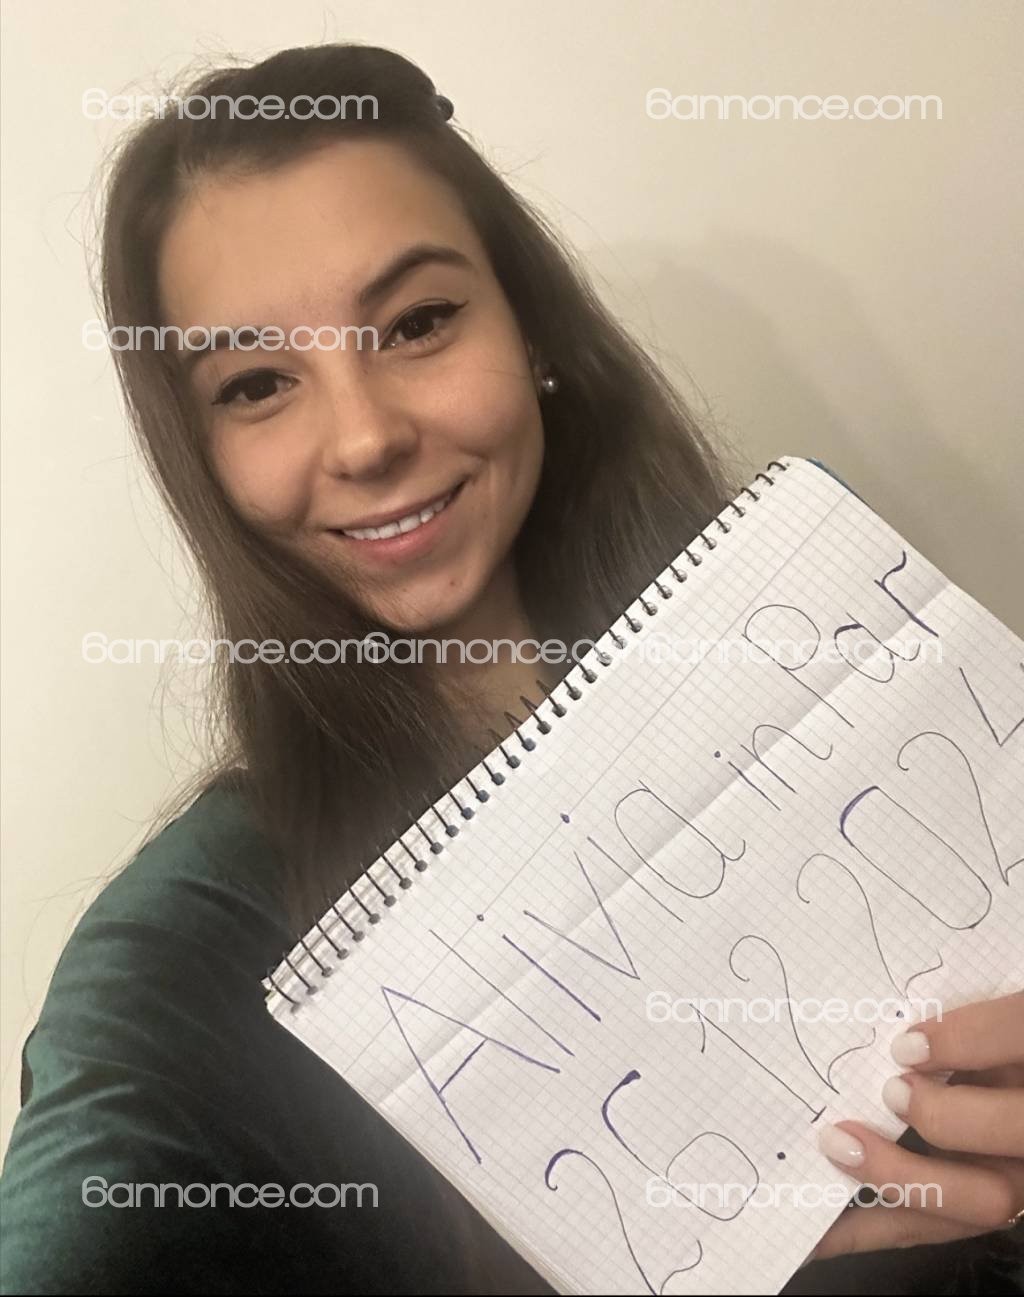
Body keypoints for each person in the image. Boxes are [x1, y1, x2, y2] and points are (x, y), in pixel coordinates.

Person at [1, 43, 1021, 1296]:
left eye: (417, 323)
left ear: (530, 326)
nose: (365, 436)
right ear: (201, 455)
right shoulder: (190, 947)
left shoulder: (857, 671)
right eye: (258, 383)